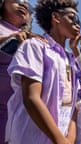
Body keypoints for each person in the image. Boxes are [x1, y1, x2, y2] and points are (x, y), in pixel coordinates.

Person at [5, 0, 81, 143]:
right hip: (29, 138)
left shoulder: (71, 60)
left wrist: (69, 139)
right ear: (56, 17)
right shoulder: (35, 46)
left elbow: (72, 106)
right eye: (73, 18)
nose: (78, 24)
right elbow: (32, 98)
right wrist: (60, 140)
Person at [0, 0, 33, 143]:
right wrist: (9, 39)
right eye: (18, 0)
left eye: (27, 4)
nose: (24, 5)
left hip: (15, 116)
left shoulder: (30, 39)